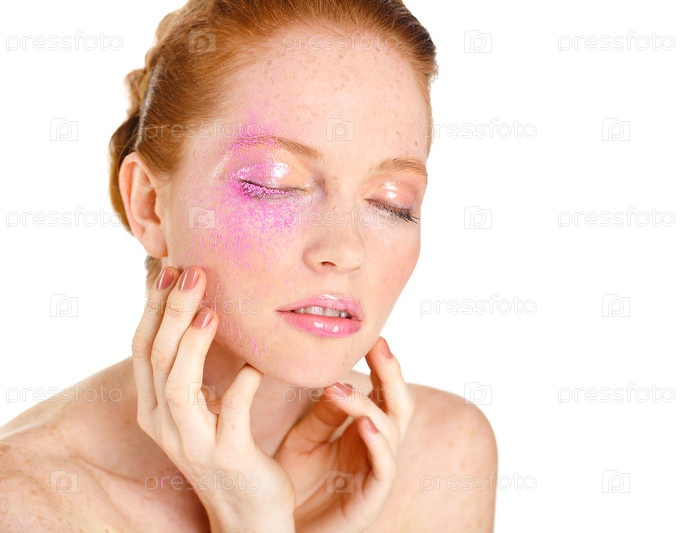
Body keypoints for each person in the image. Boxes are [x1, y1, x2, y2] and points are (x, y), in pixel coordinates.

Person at [0, 0, 497, 530]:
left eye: (392, 202)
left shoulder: (443, 455)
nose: (346, 248)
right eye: (275, 184)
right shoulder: (24, 502)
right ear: (150, 204)